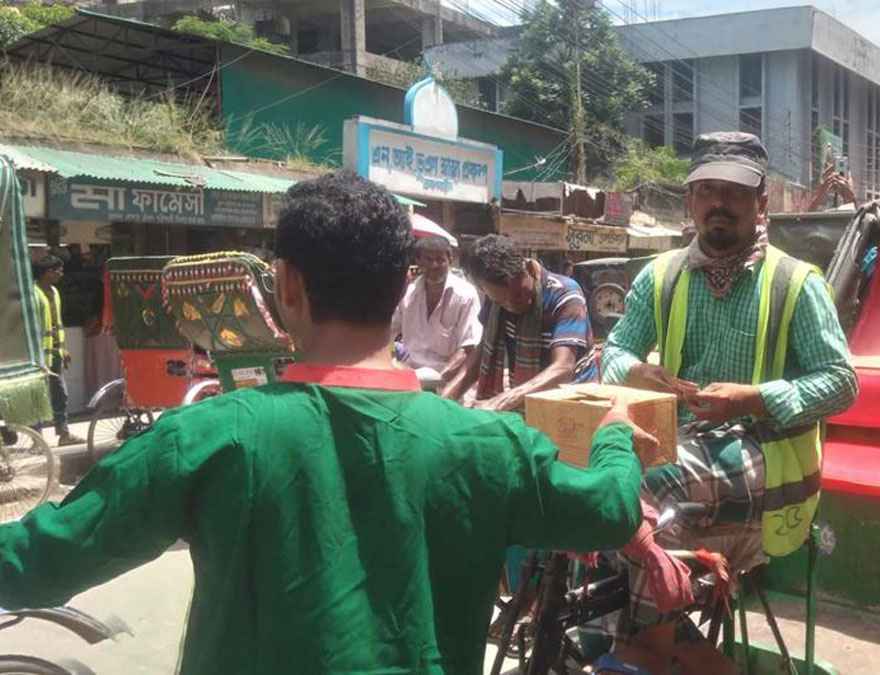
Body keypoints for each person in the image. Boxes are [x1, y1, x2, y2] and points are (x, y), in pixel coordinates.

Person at [0, 170, 652, 675]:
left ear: (285, 285)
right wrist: (616, 430)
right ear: (401, 286)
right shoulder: (491, 445)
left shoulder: (203, 437)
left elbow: (37, 560)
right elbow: (612, 509)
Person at [600, 132, 858, 672]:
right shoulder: (661, 276)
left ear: (762, 202)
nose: (719, 203)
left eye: (735, 192)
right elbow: (616, 350)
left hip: (769, 462)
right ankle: (689, 651)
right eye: (706, 190)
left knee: (644, 484)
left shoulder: (796, 283)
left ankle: (644, 649)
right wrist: (635, 371)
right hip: (685, 446)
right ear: (690, 199)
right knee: (580, 474)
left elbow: (842, 383)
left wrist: (756, 400)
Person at [442, 233, 598, 411]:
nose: (513, 305)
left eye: (519, 294)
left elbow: (563, 368)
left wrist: (501, 401)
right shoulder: (494, 302)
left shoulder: (565, 294)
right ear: (483, 290)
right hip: (526, 399)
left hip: (575, 401)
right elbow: (483, 349)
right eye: (503, 302)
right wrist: (444, 400)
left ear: (529, 270)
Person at [389, 235, 482, 383]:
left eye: (440, 260)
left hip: (448, 378)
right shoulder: (408, 293)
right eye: (428, 259)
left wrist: (440, 380)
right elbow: (388, 331)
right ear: (418, 261)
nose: (434, 265)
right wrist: (391, 362)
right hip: (410, 375)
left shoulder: (466, 295)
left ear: (450, 260)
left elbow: (468, 347)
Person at [32, 254, 84, 446]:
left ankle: (64, 434)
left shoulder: (54, 291)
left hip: (55, 354)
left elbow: (57, 323)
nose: (61, 274)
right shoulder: (33, 293)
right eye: (58, 270)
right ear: (47, 272)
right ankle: (37, 440)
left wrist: (64, 349)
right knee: (39, 397)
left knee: (60, 395)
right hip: (38, 356)